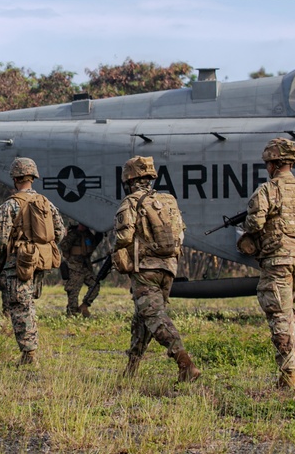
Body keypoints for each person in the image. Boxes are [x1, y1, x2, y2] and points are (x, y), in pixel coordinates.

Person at [242, 138, 295, 389]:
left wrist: (250, 231)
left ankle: (288, 372)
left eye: (268, 163)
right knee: (287, 308)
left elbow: (255, 223)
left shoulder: (267, 191)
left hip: (278, 258)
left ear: (275, 164)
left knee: (277, 312)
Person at [111, 156, 200, 383]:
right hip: (168, 268)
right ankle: (132, 366)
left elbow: (124, 236)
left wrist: (117, 252)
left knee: (154, 316)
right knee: (143, 317)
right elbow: (181, 232)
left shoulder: (131, 202)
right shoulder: (169, 200)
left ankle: (185, 363)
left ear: (129, 180)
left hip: (145, 270)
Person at [0, 157, 67, 366]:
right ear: (33, 177)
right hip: (39, 261)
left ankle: (29, 355)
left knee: (20, 306)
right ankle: (29, 351)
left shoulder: (10, 205)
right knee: (28, 304)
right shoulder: (47, 203)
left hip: (18, 262)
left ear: (15, 178)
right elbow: (60, 232)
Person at [59, 222, 103, 317]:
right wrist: (75, 233)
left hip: (85, 267)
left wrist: (100, 233)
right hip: (74, 267)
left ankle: (84, 306)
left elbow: (93, 244)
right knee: (73, 291)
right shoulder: (73, 233)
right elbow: (64, 246)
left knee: (95, 285)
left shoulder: (88, 235)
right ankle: (72, 312)